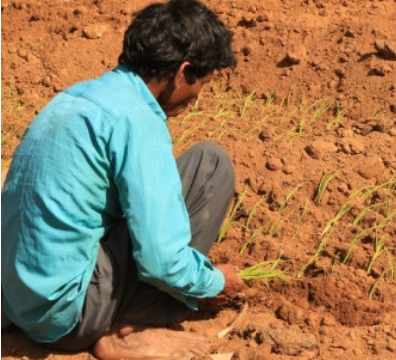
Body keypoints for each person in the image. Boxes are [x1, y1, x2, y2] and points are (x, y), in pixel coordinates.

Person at [1, 0, 246, 358]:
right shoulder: (137, 119)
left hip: (15, 299)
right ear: (183, 72)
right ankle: (130, 328)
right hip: (66, 319)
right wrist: (215, 282)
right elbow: (161, 260)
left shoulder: (73, 98)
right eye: (201, 84)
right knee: (210, 165)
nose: (195, 100)